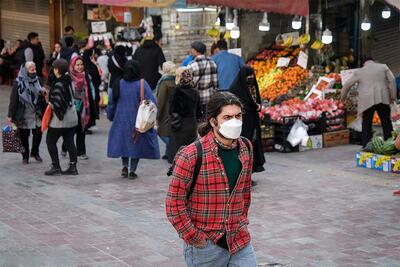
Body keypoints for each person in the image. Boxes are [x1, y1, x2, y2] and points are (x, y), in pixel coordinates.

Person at [166, 92, 257, 266]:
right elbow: (174, 204)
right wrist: (194, 237)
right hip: (206, 246)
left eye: (238, 116)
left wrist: (241, 220)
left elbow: (244, 192)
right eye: (227, 117)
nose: (235, 121)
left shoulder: (246, 147)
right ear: (213, 121)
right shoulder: (191, 155)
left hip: (239, 239)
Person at [107, 60, 160, 179]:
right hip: (138, 120)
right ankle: (132, 170)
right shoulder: (142, 84)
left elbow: (111, 102)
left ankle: (124, 166)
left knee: (124, 143)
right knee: (136, 145)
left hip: (121, 120)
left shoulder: (118, 83)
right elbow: (152, 102)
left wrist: (111, 116)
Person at [340, 58, 397, 147]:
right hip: (383, 98)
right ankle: (389, 144)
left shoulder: (359, 71)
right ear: (374, 61)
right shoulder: (383, 67)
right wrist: (393, 96)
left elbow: (347, 85)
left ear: (364, 64)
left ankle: (366, 145)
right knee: (386, 121)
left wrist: (342, 98)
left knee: (366, 122)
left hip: (367, 101)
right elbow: (392, 80)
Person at [7, 61, 46, 164]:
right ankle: (25, 156)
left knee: (38, 133)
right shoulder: (18, 83)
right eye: (31, 69)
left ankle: (35, 152)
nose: (34, 71)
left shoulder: (38, 80)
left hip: (36, 113)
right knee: (24, 136)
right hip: (23, 113)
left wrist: (43, 93)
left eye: (35, 69)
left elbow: (41, 96)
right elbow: (13, 100)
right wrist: (10, 115)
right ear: (25, 71)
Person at [45, 59, 78, 176]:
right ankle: (73, 167)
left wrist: (47, 100)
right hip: (73, 117)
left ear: (57, 70)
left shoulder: (59, 83)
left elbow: (56, 104)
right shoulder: (69, 80)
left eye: (54, 68)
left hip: (61, 119)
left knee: (50, 141)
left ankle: (56, 166)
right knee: (69, 141)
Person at [230, 66, 265, 173]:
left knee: (253, 141)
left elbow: (255, 98)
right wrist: (253, 106)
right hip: (243, 120)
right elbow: (238, 104)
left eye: (252, 75)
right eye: (248, 76)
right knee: (244, 142)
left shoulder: (252, 85)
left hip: (253, 118)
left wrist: (257, 105)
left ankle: (254, 166)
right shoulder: (236, 88)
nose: (250, 78)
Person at [61, 56, 95, 160]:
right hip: (71, 108)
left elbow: (91, 90)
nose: (80, 67)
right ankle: (64, 147)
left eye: (81, 64)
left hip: (83, 107)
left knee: (81, 130)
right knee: (71, 131)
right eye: (77, 65)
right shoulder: (68, 77)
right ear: (73, 65)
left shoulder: (86, 76)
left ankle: (81, 152)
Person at [168, 67, 201, 163]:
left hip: (180, 124)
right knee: (190, 150)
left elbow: (174, 112)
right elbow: (199, 111)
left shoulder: (177, 92)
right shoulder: (195, 92)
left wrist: (173, 127)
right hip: (192, 123)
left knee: (178, 151)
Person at [188, 41, 218, 121]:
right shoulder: (212, 62)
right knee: (208, 120)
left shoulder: (191, 65)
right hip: (209, 97)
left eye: (192, 49)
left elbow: (190, 84)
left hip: (197, 99)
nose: (190, 51)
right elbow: (215, 83)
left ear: (196, 51)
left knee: (197, 121)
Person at [156, 61, 177, 160]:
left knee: (162, 132)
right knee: (169, 131)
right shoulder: (176, 80)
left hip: (165, 111)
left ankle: (173, 149)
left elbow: (161, 100)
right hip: (173, 110)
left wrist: (157, 114)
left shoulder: (164, 82)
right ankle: (168, 152)